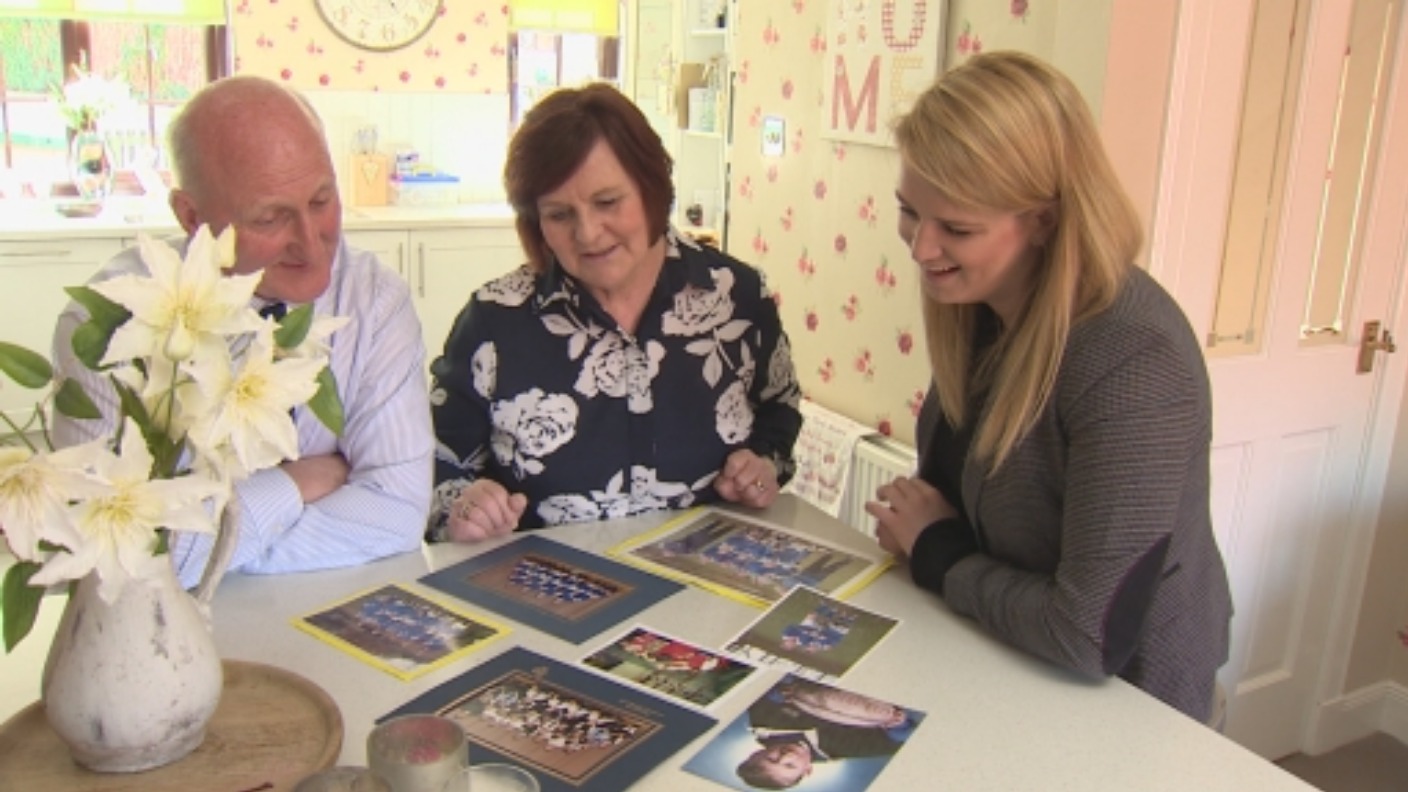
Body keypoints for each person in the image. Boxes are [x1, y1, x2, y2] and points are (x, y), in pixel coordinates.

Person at [866, 51, 1233, 723]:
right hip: (1007, 661)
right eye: (909, 212)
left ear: (1041, 219)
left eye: (957, 228)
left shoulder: (1133, 360)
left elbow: (1086, 632)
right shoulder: (984, 305)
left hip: (1132, 705)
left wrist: (936, 550)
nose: (920, 249)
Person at [52, 76, 434, 588]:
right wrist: (296, 484)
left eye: (322, 200)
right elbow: (119, 555)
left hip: (331, 609)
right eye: (272, 216)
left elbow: (398, 513)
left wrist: (204, 539)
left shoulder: (375, 301)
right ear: (192, 217)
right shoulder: (111, 325)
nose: (313, 243)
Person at [428, 83, 802, 542]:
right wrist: (464, 508)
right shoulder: (493, 323)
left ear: (652, 189)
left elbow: (779, 413)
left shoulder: (739, 299)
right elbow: (435, 462)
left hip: (709, 593)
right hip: (545, 596)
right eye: (559, 215)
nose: (587, 234)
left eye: (607, 202)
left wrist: (763, 465)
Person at [735, 680, 913, 789]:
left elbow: (763, 695)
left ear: (757, 753)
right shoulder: (835, 749)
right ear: (808, 770)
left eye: (772, 759)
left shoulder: (764, 724)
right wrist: (898, 726)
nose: (786, 756)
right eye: (790, 766)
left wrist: (777, 694)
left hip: (815, 685)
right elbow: (892, 743)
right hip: (875, 699)